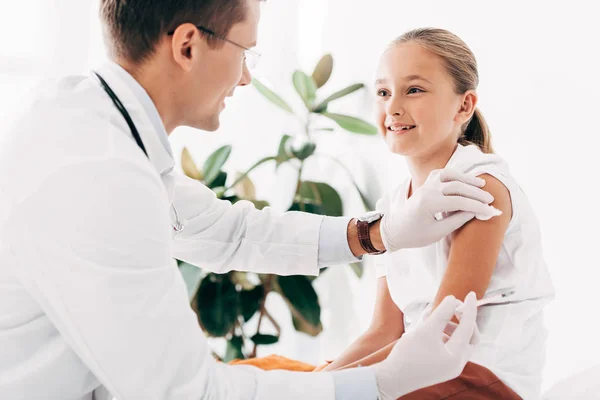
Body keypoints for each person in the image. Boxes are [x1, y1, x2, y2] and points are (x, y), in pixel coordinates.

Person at [0, 2, 499, 399]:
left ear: (464, 105)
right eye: (246, 51)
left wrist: (377, 233)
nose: (246, 78)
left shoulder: (93, 129)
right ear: (188, 46)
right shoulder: (97, 173)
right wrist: (378, 382)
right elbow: (189, 393)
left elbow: (227, 230)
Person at [320, 28, 555, 399]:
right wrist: (318, 381)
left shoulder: (481, 187)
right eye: (383, 92)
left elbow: (444, 329)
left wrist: (331, 387)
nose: (393, 107)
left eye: (413, 90)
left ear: (464, 106)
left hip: (477, 373)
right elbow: (383, 331)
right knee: (280, 376)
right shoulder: (392, 208)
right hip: (420, 365)